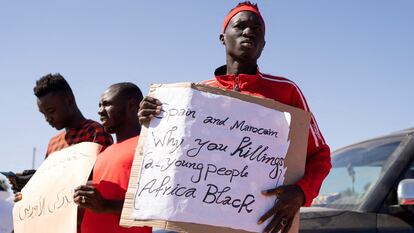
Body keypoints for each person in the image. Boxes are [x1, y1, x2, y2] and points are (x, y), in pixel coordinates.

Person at [138, 2, 331, 233]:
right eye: (240, 26)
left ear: (264, 45)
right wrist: (153, 120)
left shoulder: (286, 91)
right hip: (198, 224)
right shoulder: (194, 96)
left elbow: (320, 155)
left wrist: (301, 192)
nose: (249, 31)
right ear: (222, 37)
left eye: (257, 29)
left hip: (262, 224)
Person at [10, 74, 113, 193]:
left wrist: (42, 180)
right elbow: (51, 188)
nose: (47, 118)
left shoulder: (94, 132)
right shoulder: (53, 143)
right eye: (43, 114)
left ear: (69, 100)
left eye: (51, 111)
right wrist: (32, 185)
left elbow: (100, 178)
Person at [74, 83, 151, 233]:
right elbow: (94, 210)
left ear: (131, 105)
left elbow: (155, 205)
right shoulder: (102, 153)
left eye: (107, 104)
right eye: (99, 105)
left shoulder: (151, 146)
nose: (100, 111)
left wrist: (106, 206)